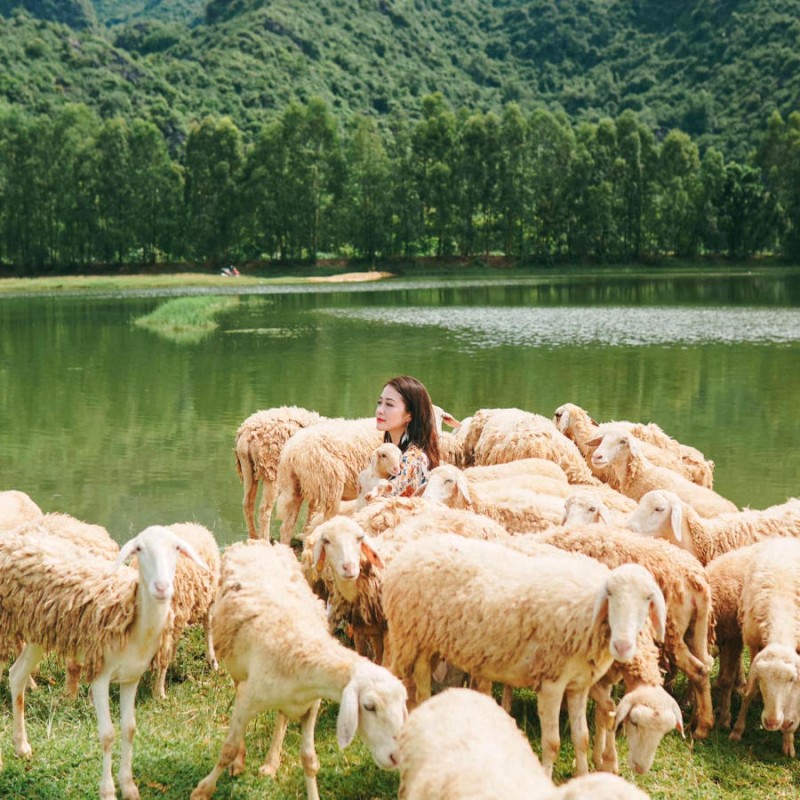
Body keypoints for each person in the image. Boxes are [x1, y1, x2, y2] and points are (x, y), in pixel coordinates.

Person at [375, 375, 440, 498]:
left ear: (409, 416)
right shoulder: (400, 453)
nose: (380, 410)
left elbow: (380, 505)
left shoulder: (411, 461)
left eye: (389, 404)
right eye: (380, 402)